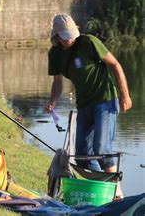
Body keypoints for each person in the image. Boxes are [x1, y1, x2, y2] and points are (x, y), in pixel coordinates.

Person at [44, 14, 132, 198]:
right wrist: (53, 101)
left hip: (105, 99)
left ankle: (116, 190)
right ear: (56, 36)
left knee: (101, 148)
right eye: (65, 36)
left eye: (71, 34)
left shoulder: (89, 42)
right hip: (84, 104)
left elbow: (115, 65)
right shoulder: (55, 54)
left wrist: (125, 95)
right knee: (82, 156)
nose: (70, 39)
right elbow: (57, 81)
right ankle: (104, 188)